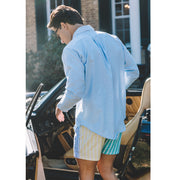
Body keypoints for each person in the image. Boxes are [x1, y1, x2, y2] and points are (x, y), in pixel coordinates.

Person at [47, 5, 139, 180]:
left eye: (58, 34)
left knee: (87, 172)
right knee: (107, 170)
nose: (61, 40)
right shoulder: (112, 39)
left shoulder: (72, 49)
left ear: (64, 25)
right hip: (116, 120)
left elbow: (75, 90)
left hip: (92, 122)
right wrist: (113, 88)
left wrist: (61, 106)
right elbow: (133, 71)